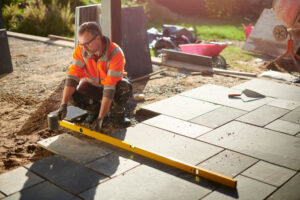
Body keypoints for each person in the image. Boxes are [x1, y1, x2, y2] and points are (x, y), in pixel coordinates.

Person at [56, 21, 132, 131]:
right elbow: (73, 76)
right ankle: (94, 112)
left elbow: (109, 88)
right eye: (81, 44)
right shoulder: (81, 50)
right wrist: (63, 105)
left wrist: (101, 118)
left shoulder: (115, 54)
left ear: (98, 38)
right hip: (94, 87)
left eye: (87, 43)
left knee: (124, 86)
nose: (84, 48)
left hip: (113, 89)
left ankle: (117, 116)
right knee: (71, 92)